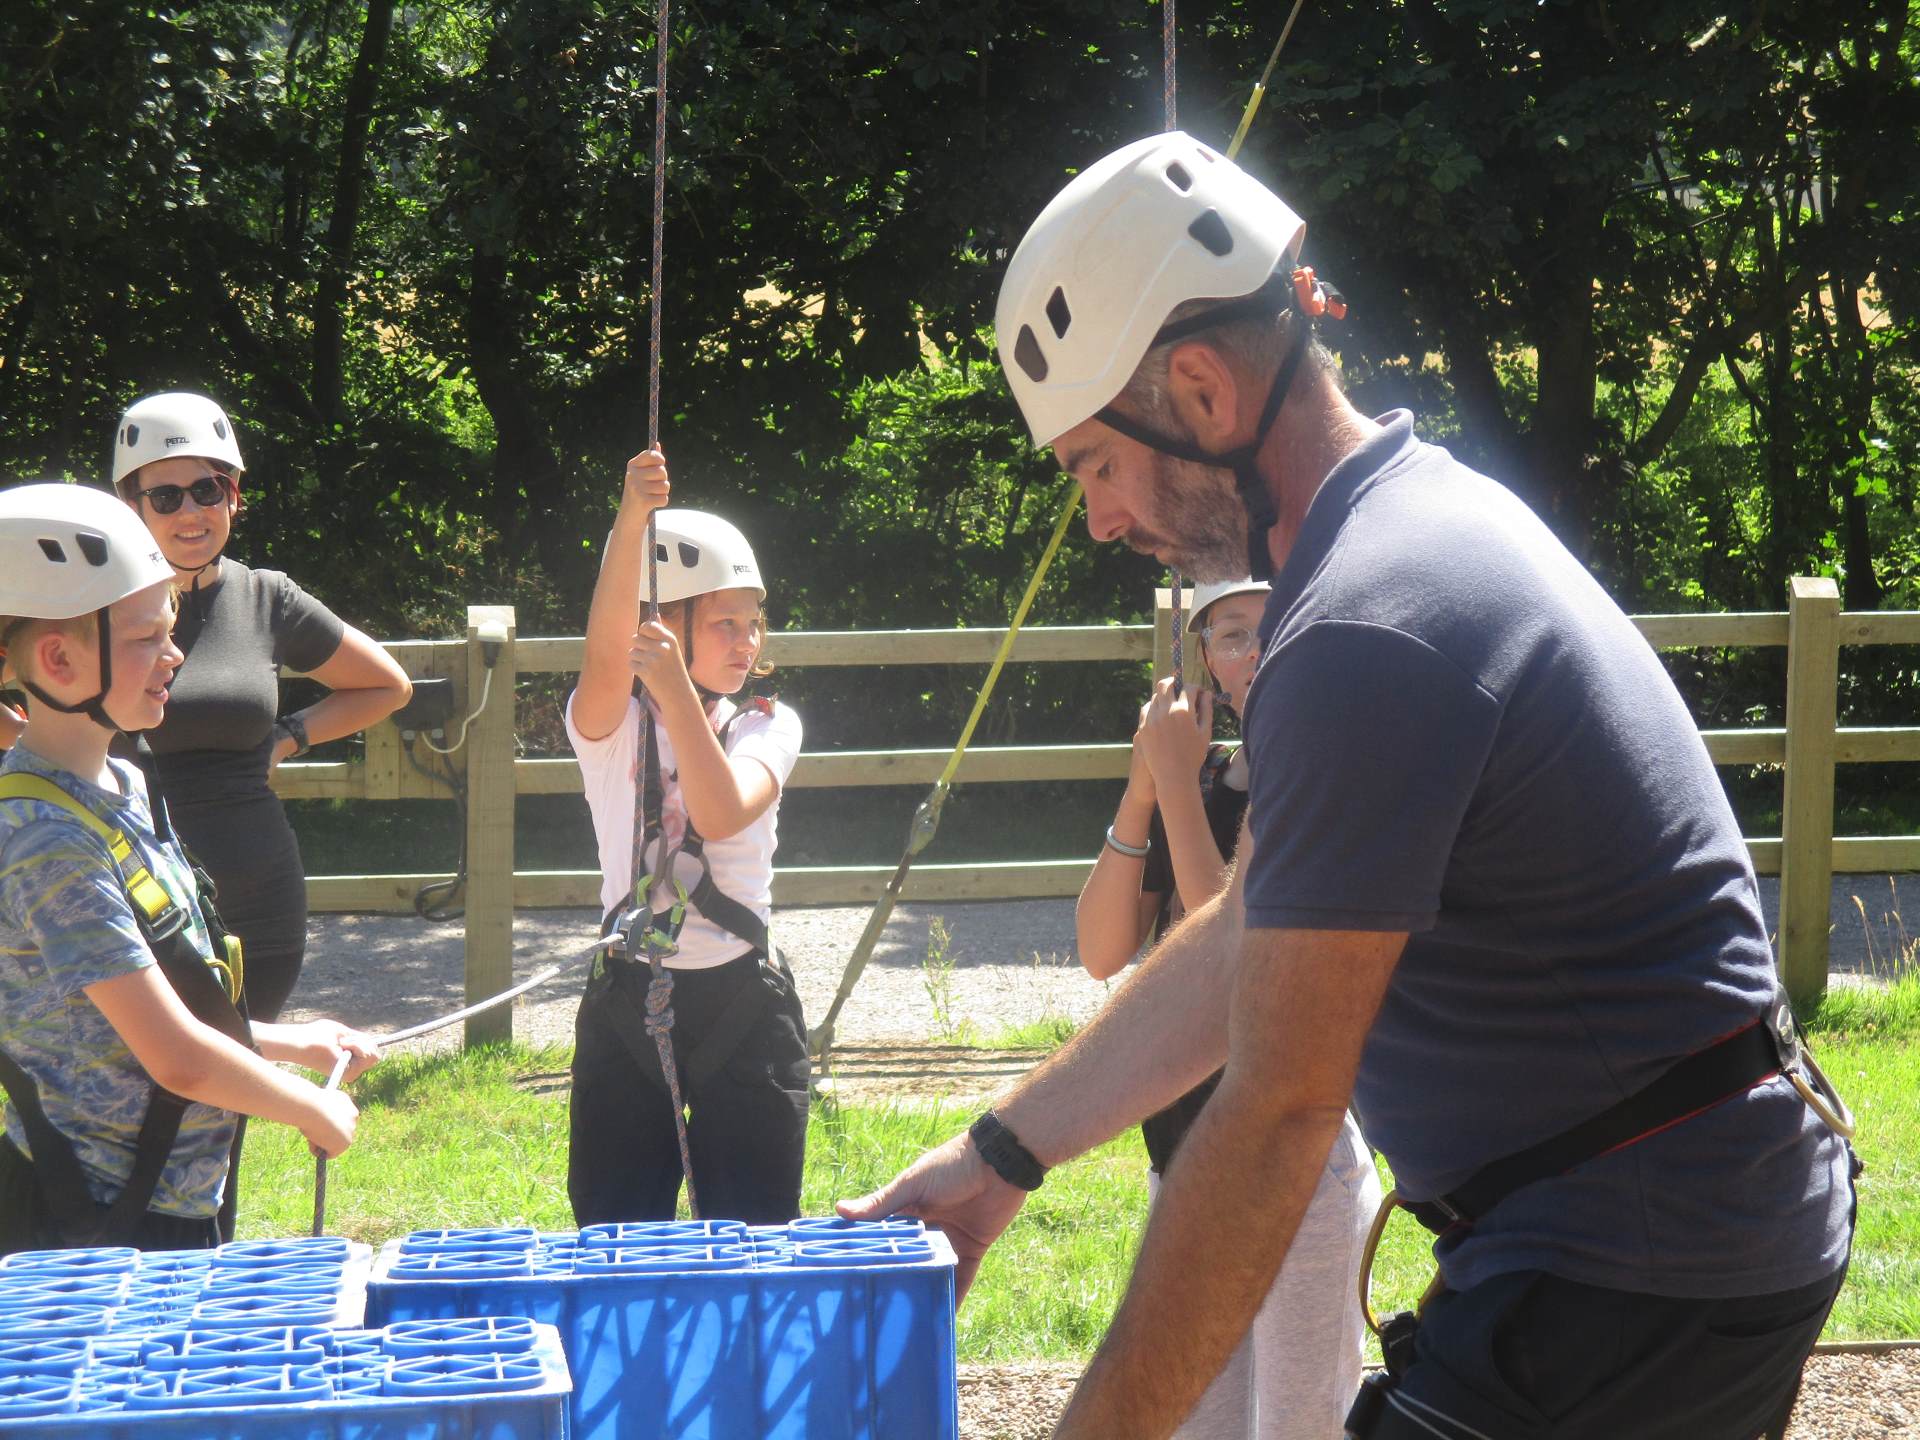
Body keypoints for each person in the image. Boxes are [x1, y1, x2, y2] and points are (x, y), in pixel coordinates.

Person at [841, 132, 1854, 1440]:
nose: (1099, 520)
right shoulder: (1399, 534)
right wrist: (1001, 1158)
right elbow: (1252, 929)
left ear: (1200, 389)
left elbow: (1276, 1118)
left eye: (1094, 464)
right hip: (1673, 1228)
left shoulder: (1363, 629)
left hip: (1637, 1256)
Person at [0, 481, 380, 1256]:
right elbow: (174, 1056)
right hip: (90, 1224)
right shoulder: (45, 839)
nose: (174, 656)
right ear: (59, 660)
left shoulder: (123, 784)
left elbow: (138, 1008)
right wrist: (304, 1106)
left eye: (169, 633)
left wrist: (290, 1042)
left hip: (165, 1200)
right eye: (147, 638)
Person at [1076, 576, 1376, 1440]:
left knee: (1299, 1422)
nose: (1255, 652)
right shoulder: (1200, 779)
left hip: (1298, 1169)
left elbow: (1231, 961)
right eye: (1233, 633)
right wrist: (1146, 788)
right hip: (1187, 1161)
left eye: (1275, 628)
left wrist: (1174, 783)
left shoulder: (1316, 776)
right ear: (1204, 656)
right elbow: (1102, 949)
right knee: (1197, 1422)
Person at [109, 392, 412, 1024]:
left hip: (260, 906)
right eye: (165, 497)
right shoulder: (89, 608)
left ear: (234, 496)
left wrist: (287, 736)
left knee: (239, 1077)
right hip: (129, 904)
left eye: (207, 489)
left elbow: (387, 685)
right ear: (129, 506)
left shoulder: (266, 597)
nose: (190, 511)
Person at [564, 448, 809, 1225]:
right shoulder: (611, 729)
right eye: (724, 623)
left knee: (753, 1236)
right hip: (626, 1003)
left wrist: (675, 690)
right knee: (615, 1236)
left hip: (745, 1003)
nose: (747, 642)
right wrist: (631, 516)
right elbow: (605, 654)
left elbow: (724, 810)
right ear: (664, 624)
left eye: (753, 623)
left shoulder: (767, 726)